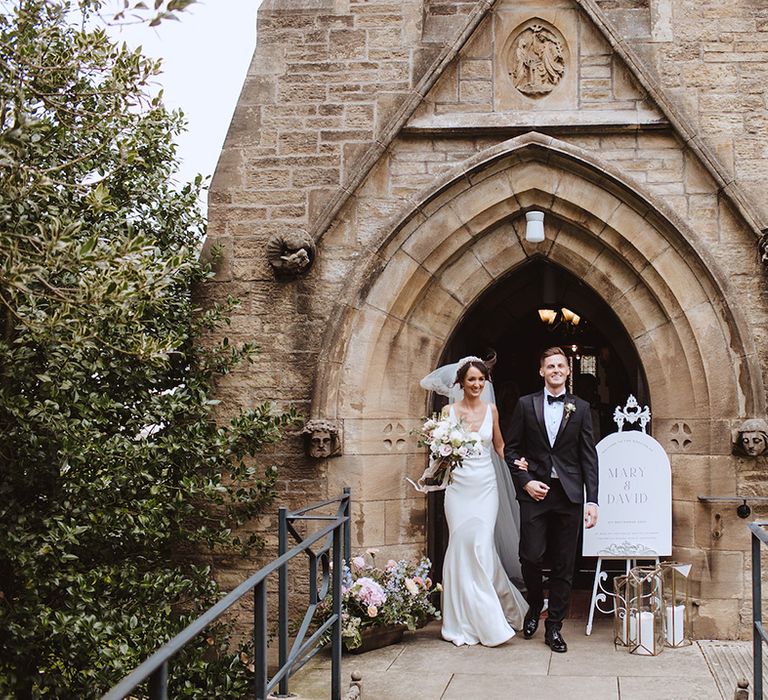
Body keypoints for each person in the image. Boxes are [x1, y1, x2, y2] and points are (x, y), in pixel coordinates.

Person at [505, 347, 599, 653]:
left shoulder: (582, 408)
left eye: (561, 365)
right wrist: (526, 481)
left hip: (569, 495)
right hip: (535, 493)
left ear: (568, 370)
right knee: (530, 555)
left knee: (564, 564)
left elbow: (589, 457)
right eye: (550, 366)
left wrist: (592, 500)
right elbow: (511, 450)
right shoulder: (525, 405)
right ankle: (535, 604)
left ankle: (554, 626)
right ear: (542, 371)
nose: (556, 369)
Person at [435, 357, 529, 646]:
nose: (476, 384)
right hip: (458, 488)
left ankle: (491, 617)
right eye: (471, 379)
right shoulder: (447, 412)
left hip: (485, 486)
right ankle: (461, 619)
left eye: (481, 380)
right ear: (461, 382)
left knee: (481, 546)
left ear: (485, 383)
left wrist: (518, 464)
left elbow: (499, 446)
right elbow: (438, 450)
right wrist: (439, 449)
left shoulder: (492, 410)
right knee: (460, 547)